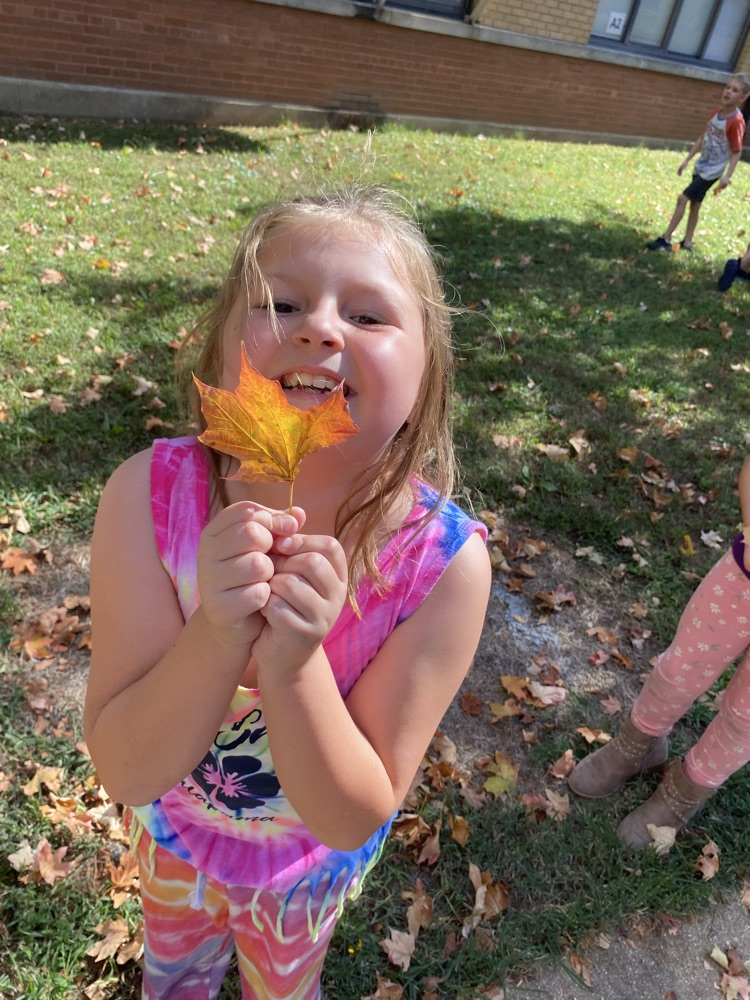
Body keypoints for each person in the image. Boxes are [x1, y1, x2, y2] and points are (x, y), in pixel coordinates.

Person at [83, 186, 491, 999]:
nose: (320, 327)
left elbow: (352, 814)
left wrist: (298, 662)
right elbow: (126, 767)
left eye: (369, 317)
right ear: (223, 350)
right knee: (175, 977)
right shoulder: (147, 498)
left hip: (302, 876)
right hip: (176, 846)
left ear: (424, 384)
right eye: (284, 302)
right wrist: (214, 634)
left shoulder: (441, 566)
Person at [569, 456, 750, 850]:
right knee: (681, 669)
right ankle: (639, 745)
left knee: (746, 717)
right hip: (744, 579)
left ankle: (684, 793)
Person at [647, 74, 750, 253]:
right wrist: (687, 160)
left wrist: (727, 176)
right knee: (695, 204)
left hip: (712, 172)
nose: (728, 92)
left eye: (735, 90)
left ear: (743, 98)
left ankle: (666, 239)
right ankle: (687, 243)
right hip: (701, 166)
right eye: (728, 87)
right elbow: (702, 138)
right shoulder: (715, 115)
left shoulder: (736, 121)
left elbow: (736, 151)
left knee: (683, 198)